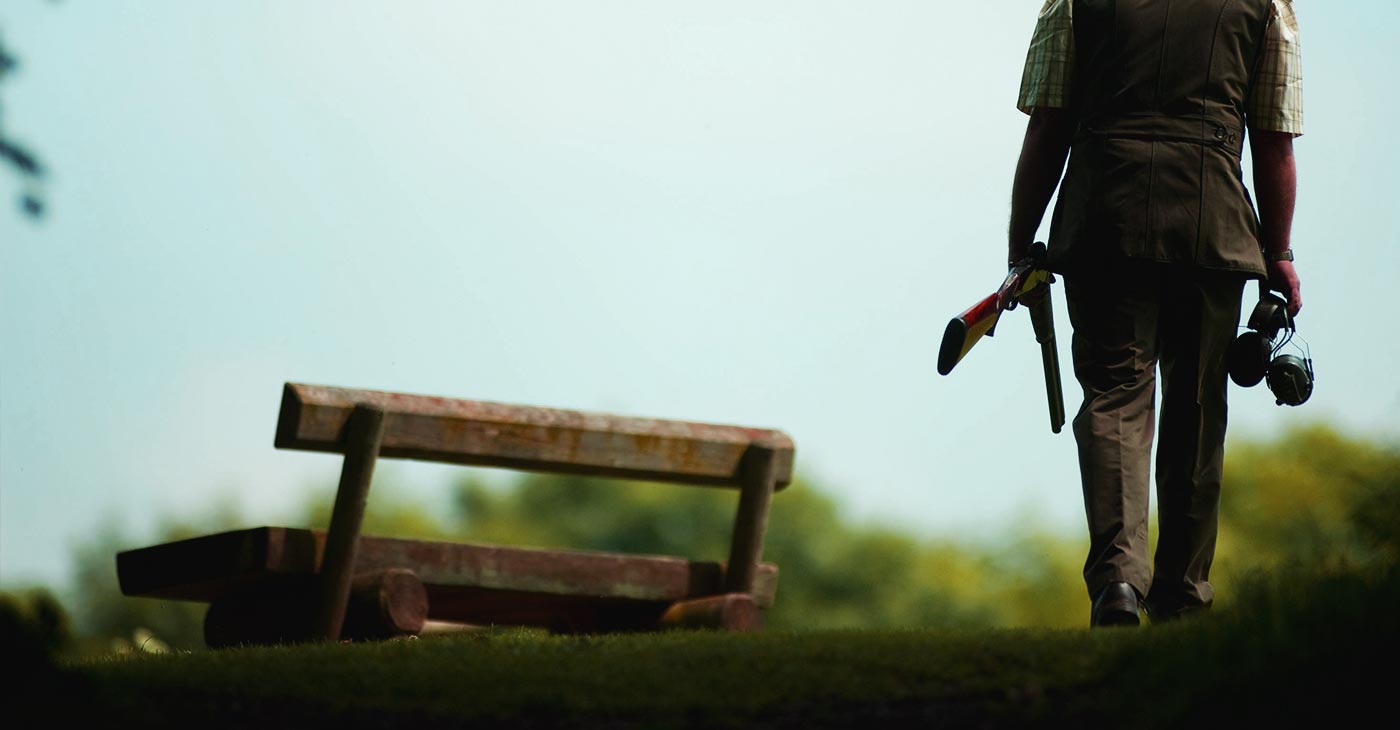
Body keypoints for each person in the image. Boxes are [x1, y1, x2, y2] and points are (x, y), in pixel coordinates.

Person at [1006, 0, 1304, 626]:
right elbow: (1274, 137)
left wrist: (1020, 244)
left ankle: (1118, 581)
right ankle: (1184, 595)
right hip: (1214, 230)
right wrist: (1278, 253)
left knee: (1115, 396)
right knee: (1197, 408)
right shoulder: (1266, 5)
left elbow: (1047, 125)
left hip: (1103, 221)